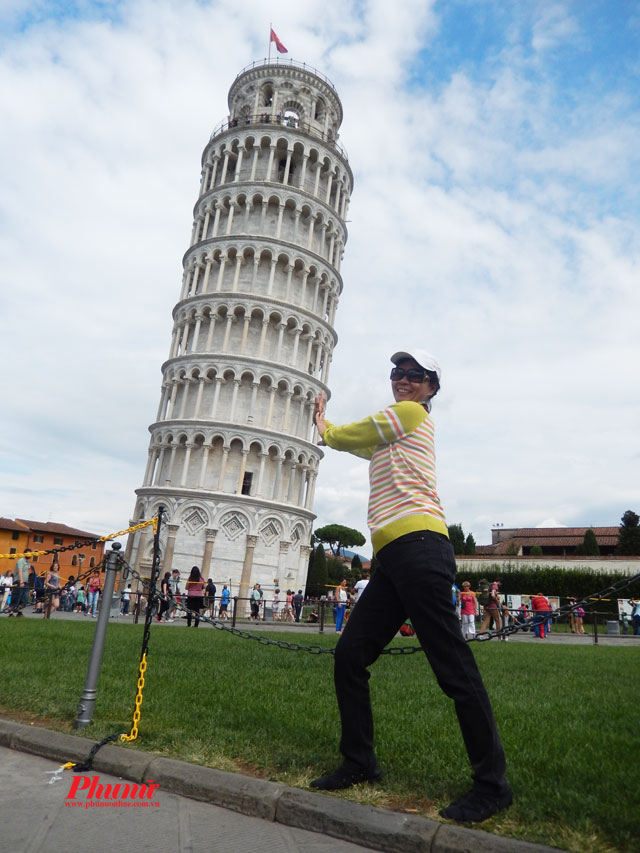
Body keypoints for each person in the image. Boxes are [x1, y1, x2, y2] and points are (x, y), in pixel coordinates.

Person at [309, 348, 511, 823]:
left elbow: (349, 436)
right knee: (351, 655)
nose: (403, 379)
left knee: (453, 668)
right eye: (398, 373)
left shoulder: (409, 414)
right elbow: (361, 444)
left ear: (430, 388)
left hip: (420, 547)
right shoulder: (396, 432)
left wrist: (326, 427)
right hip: (395, 557)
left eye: (415, 375)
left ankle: (492, 785)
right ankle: (359, 762)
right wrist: (327, 426)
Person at [9, 548, 32, 617]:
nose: (29, 555)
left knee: (24, 598)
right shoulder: (21, 560)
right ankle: (11, 613)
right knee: (16, 596)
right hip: (19, 581)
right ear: (24, 553)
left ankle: (20, 612)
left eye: (30, 553)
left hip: (26, 582)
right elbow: (20, 570)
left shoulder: (27, 562)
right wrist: (21, 581)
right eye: (28, 553)